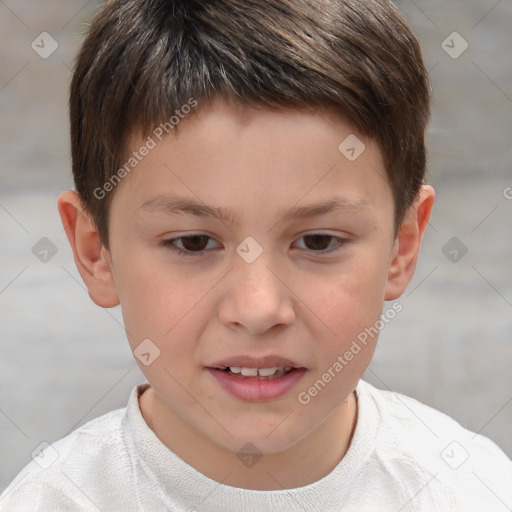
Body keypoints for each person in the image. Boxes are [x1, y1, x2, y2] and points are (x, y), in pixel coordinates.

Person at [1, 0, 511, 510]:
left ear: (402, 247)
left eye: (318, 242)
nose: (259, 309)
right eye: (193, 243)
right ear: (97, 254)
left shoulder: (475, 491)